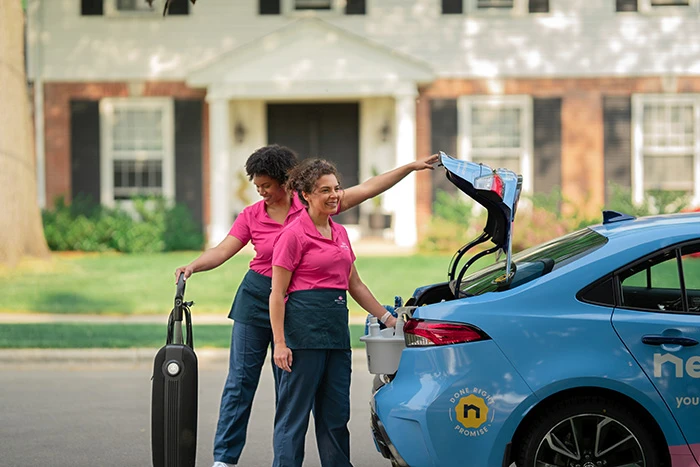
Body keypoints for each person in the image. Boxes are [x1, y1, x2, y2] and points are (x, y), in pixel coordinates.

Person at [174, 144, 437, 467]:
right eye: (257, 187)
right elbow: (224, 250)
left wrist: (409, 168)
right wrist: (193, 266)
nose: (262, 193)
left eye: (266, 186)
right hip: (260, 298)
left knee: (290, 391)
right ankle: (225, 459)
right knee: (241, 382)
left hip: (297, 306)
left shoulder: (314, 202)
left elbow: (368, 189)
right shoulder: (253, 215)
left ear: (286, 182)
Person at [269, 159, 403, 467]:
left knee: (335, 416)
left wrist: (387, 318)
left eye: (336, 189)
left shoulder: (340, 233)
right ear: (305, 195)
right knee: (294, 418)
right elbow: (277, 294)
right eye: (324, 190)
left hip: (336, 334)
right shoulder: (292, 235)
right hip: (302, 336)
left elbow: (354, 284)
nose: (334, 195)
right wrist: (279, 342)